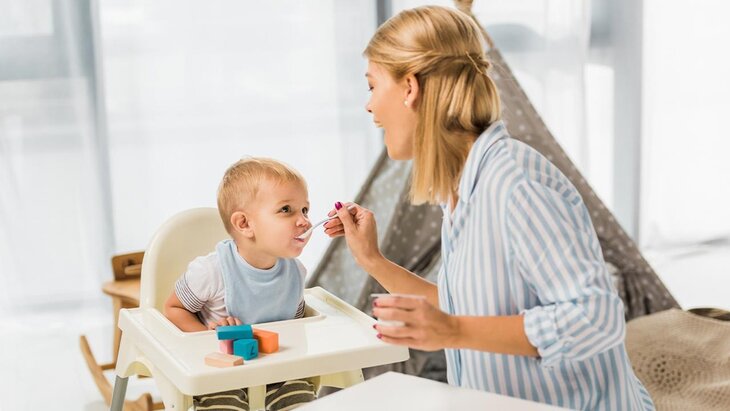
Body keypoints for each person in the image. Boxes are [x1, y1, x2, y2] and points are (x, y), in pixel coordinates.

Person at [323, 6, 654, 411]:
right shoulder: (462, 189)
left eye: (373, 86)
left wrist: (453, 331)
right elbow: (464, 307)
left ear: (409, 88)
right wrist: (371, 260)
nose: (369, 106)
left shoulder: (515, 183)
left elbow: (596, 317)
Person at [164, 157, 316, 411]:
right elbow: (173, 308)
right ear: (244, 224)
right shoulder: (212, 271)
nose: (304, 221)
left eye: (305, 210)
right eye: (286, 210)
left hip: (279, 373)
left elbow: (296, 325)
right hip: (222, 375)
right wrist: (210, 339)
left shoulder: (296, 272)